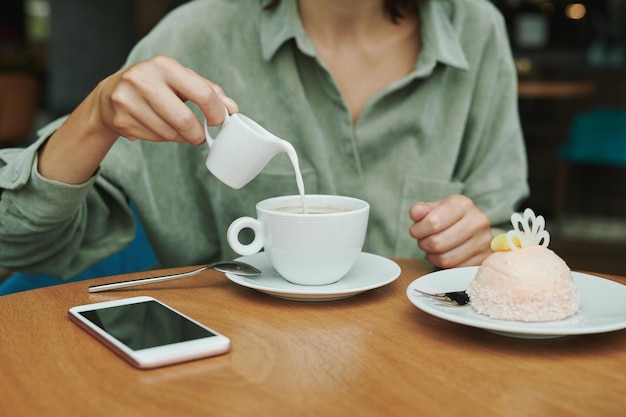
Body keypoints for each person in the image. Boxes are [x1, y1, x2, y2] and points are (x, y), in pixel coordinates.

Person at [0, 0, 528, 280]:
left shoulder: (476, 31)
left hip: (424, 374)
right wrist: (94, 118)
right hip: (232, 375)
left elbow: (506, 238)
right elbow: (18, 242)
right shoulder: (197, 36)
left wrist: (482, 246)